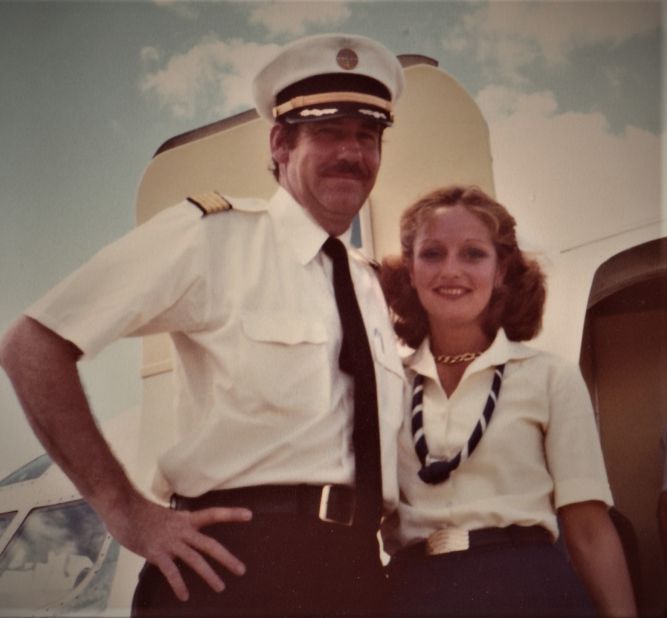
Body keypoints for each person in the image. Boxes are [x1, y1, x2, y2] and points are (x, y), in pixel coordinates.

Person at [0, 33, 407, 617]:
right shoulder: (213, 237)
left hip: (357, 572)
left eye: (367, 136)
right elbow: (31, 344)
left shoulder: (370, 285)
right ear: (280, 144)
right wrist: (126, 513)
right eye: (328, 132)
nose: (352, 152)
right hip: (237, 568)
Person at [379, 185, 636, 617]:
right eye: (433, 253)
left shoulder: (549, 376)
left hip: (528, 588)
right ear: (409, 271)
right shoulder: (387, 380)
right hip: (415, 593)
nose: (451, 270)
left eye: (473, 254)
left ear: (501, 271)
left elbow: (589, 530)